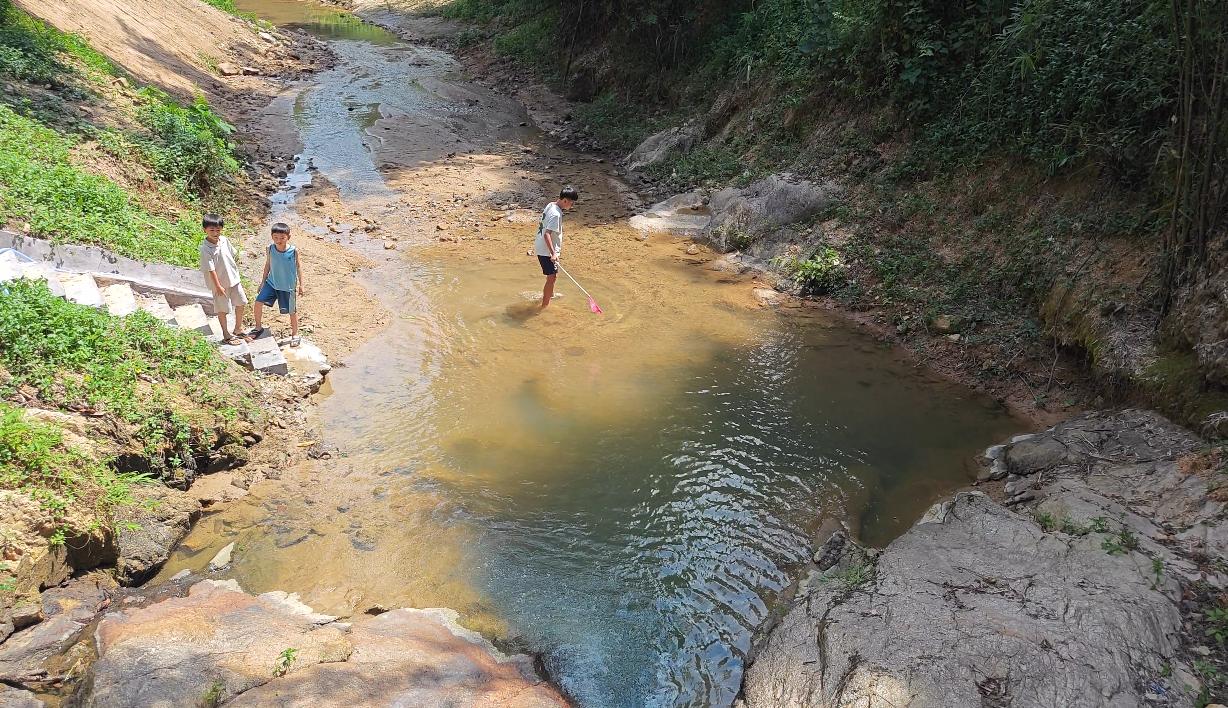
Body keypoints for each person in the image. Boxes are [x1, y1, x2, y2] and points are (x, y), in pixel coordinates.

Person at [250, 222, 305, 346]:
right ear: (271, 236)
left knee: (292, 311)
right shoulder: (270, 248)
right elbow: (267, 265)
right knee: (258, 302)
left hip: (288, 287)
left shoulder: (293, 251)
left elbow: (299, 268)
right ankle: (258, 327)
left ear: (288, 237)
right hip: (272, 283)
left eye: (282, 238)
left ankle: (295, 333)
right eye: (276, 237)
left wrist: (301, 285)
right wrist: (263, 282)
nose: (279, 240)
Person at [198, 213, 248, 345]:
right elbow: (211, 269)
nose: (215, 233)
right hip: (220, 284)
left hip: (234, 279)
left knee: (241, 302)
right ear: (205, 230)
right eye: (212, 230)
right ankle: (226, 334)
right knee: (222, 309)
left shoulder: (224, 240)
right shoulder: (205, 249)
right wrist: (218, 286)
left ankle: (238, 328)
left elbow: (233, 254)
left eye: (218, 230)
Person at [534, 186, 578, 309]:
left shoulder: (551, 205)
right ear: (565, 200)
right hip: (546, 251)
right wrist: (553, 253)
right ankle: (544, 306)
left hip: (541, 247)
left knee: (552, 276)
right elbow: (547, 234)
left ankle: (550, 295)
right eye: (571, 202)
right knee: (552, 277)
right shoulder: (556, 214)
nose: (572, 205)